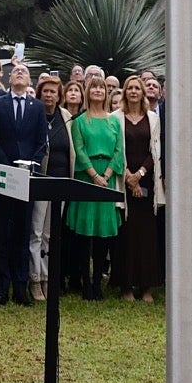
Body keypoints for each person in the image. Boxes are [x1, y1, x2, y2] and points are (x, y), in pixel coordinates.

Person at [0, 60, 49, 304]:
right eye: (16, 71)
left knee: (23, 233)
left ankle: (20, 286)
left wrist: (28, 165)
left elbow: (40, 142)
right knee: (2, 232)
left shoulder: (37, 107)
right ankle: (2, 286)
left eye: (24, 72)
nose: (20, 74)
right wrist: (8, 165)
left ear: (30, 81)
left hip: (27, 177)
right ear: (9, 78)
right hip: (4, 176)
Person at [67, 77, 125, 301]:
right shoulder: (80, 120)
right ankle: (84, 282)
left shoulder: (113, 122)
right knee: (84, 233)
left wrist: (107, 175)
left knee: (102, 234)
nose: (99, 90)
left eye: (102, 87)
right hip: (86, 176)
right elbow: (79, 149)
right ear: (88, 92)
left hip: (107, 178)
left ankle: (97, 284)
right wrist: (93, 174)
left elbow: (119, 150)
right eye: (95, 87)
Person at [28, 67, 73, 300]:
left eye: (53, 92)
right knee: (36, 232)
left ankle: (47, 278)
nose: (49, 95)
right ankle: (34, 279)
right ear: (39, 93)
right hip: (41, 180)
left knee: (50, 233)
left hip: (62, 180)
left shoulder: (66, 116)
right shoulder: (36, 114)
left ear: (59, 95)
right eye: (45, 91)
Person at [116, 72, 162, 301]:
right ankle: (125, 286)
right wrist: (128, 177)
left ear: (143, 93)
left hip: (146, 181)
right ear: (125, 92)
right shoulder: (115, 117)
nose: (134, 91)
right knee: (126, 235)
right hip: (122, 182)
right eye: (130, 88)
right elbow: (115, 149)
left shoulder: (153, 118)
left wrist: (140, 174)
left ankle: (145, 287)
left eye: (137, 88)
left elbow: (156, 151)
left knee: (146, 236)